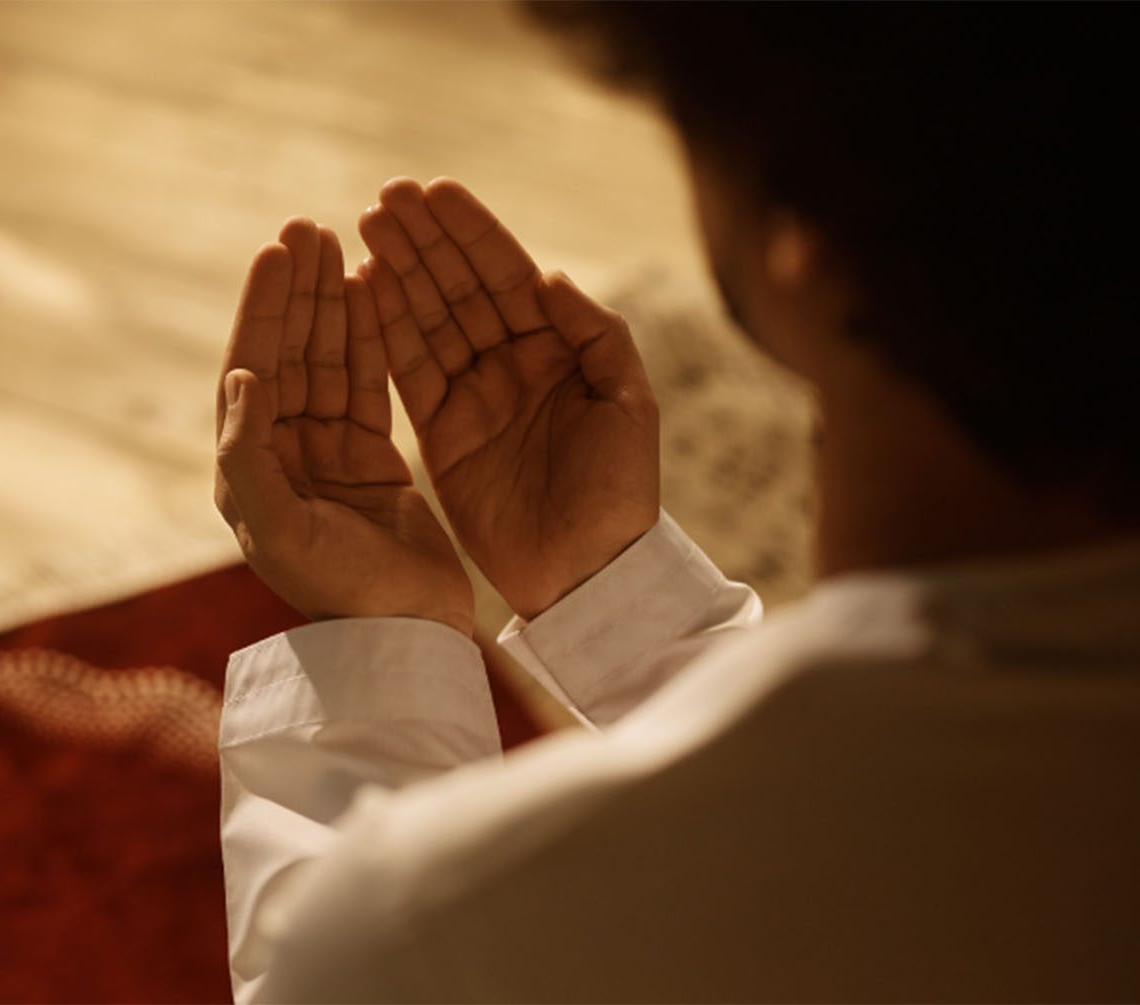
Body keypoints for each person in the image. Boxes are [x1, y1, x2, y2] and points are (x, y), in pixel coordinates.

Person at [211, 6, 1137, 1001]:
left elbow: (368, 961)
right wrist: (615, 595)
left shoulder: (439, 924)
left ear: (803, 231)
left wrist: (373, 668)